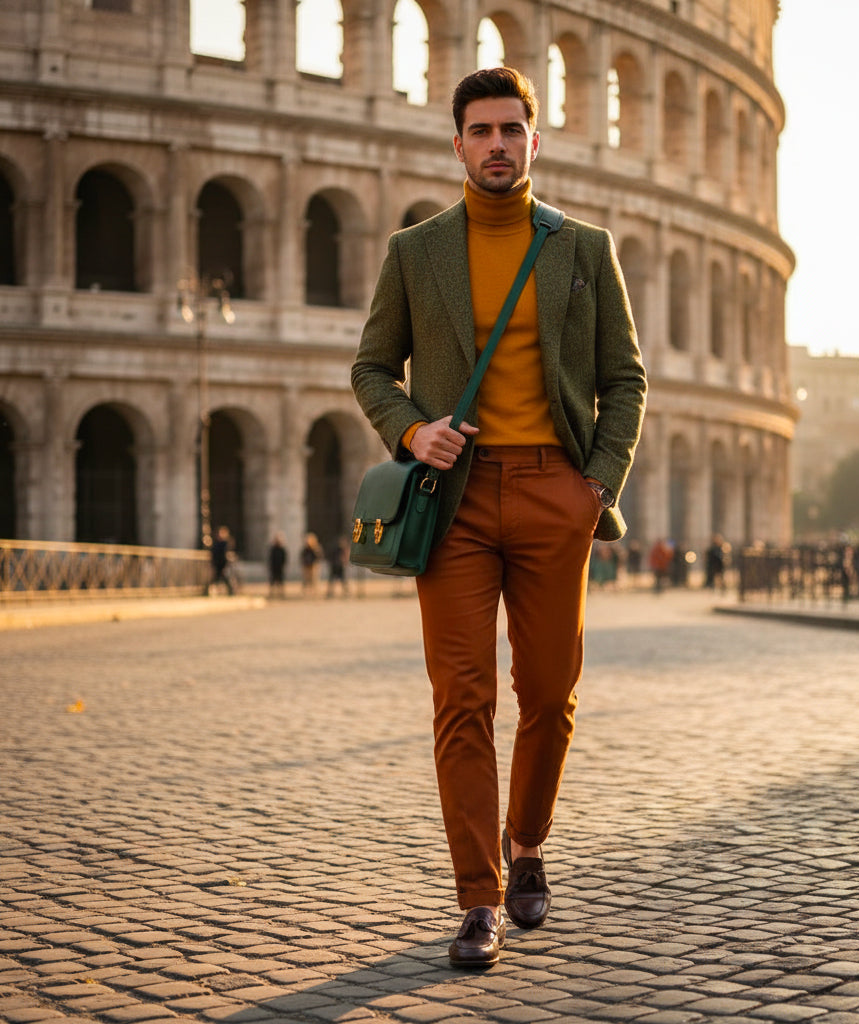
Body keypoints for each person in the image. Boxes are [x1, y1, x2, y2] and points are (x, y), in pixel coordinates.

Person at [352, 67, 646, 968]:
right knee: (462, 703)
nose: (497, 145)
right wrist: (413, 432)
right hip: (457, 503)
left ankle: (528, 847)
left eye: (512, 130)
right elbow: (371, 368)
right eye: (481, 131)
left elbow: (624, 380)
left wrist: (595, 486)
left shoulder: (583, 247)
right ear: (457, 144)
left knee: (549, 697)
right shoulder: (417, 251)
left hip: (557, 492)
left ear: (534, 141)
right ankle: (477, 898)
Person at [207, 525, 235, 595]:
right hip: (217, 563)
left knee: (222, 577)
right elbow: (213, 553)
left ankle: (231, 591)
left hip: (222, 563)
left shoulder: (225, 544)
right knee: (218, 578)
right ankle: (208, 591)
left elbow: (225, 554)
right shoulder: (216, 543)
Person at [267, 532, 288, 597]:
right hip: (274, 567)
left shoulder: (282, 549)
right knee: (272, 581)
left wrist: (283, 565)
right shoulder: (273, 549)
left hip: (280, 567)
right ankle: (272, 593)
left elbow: (284, 558)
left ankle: (281, 593)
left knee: (281, 581)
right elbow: (270, 558)